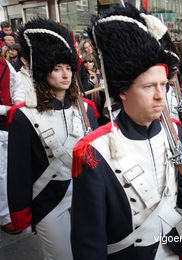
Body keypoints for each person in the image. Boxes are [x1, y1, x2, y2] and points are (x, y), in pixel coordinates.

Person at [71, 5, 182, 259]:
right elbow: (89, 239)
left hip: (170, 248)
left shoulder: (173, 130)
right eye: (148, 86)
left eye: (163, 85)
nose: (159, 95)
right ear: (122, 90)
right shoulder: (92, 152)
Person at [7, 18, 98, 260]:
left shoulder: (87, 110)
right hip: (48, 200)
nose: (65, 74)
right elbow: (19, 171)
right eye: (57, 68)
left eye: (68, 68)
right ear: (44, 70)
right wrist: (20, 212)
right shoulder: (23, 116)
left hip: (87, 197)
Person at [0, 56, 23, 235]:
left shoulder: (4, 63)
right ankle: (5, 216)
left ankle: (13, 210)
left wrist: (17, 101)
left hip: (9, 125)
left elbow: (17, 84)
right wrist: (6, 109)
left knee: (9, 169)